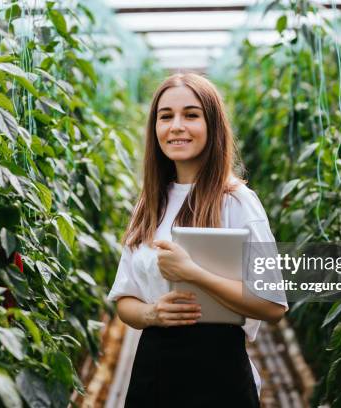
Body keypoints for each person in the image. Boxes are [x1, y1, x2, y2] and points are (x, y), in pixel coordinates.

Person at [108, 73, 288, 407]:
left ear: (213, 125)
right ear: (155, 129)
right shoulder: (150, 203)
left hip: (218, 374)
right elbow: (124, 300)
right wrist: (152, 315)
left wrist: (192, 273)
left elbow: (272, 305)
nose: (176, 126)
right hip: (154, 372)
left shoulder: (236, 201)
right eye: (166, 116)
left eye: (191, 115)